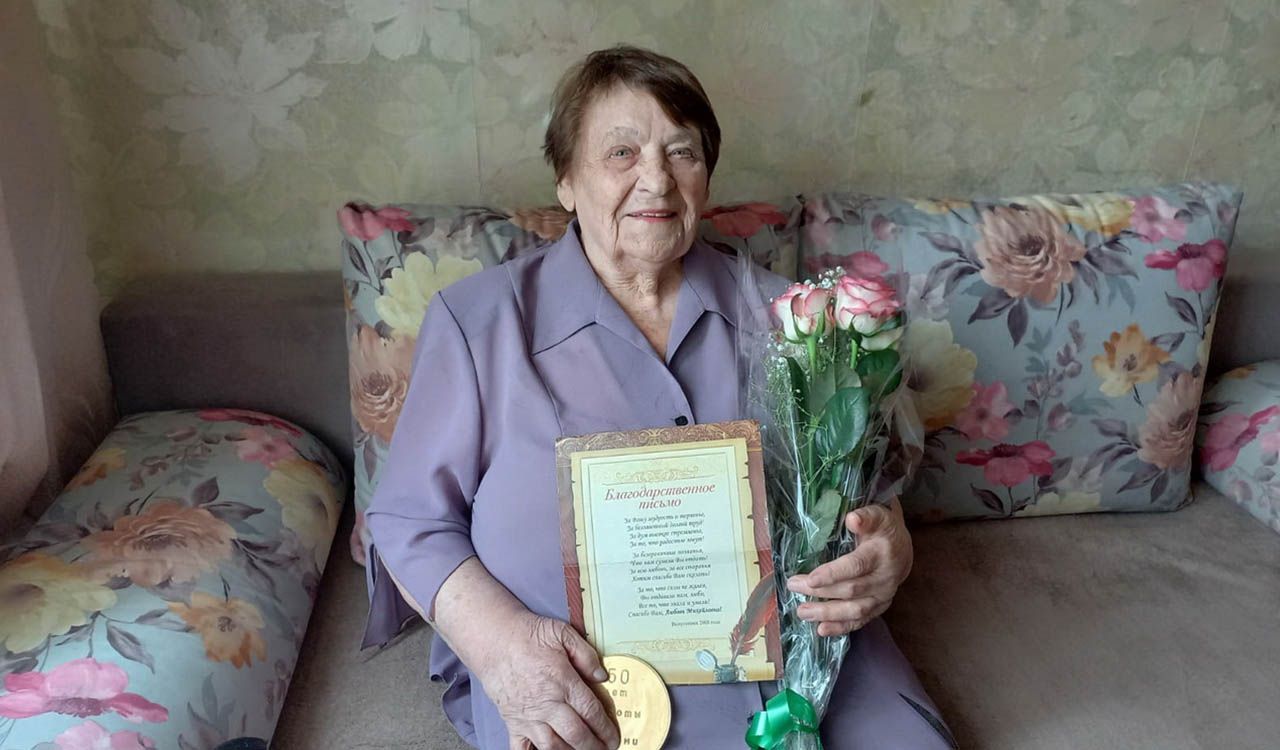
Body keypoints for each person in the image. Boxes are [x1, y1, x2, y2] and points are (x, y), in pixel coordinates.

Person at [363, 45, 955, 750]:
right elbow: (408, 519)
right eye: (621, 153)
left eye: (682, 153)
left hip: (807, 668)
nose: (657, 180)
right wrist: (502, 648)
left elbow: (862, 488)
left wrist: (890, 550)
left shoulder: (794, 320)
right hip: (590, 686)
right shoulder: (479, 323)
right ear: (566, 180)